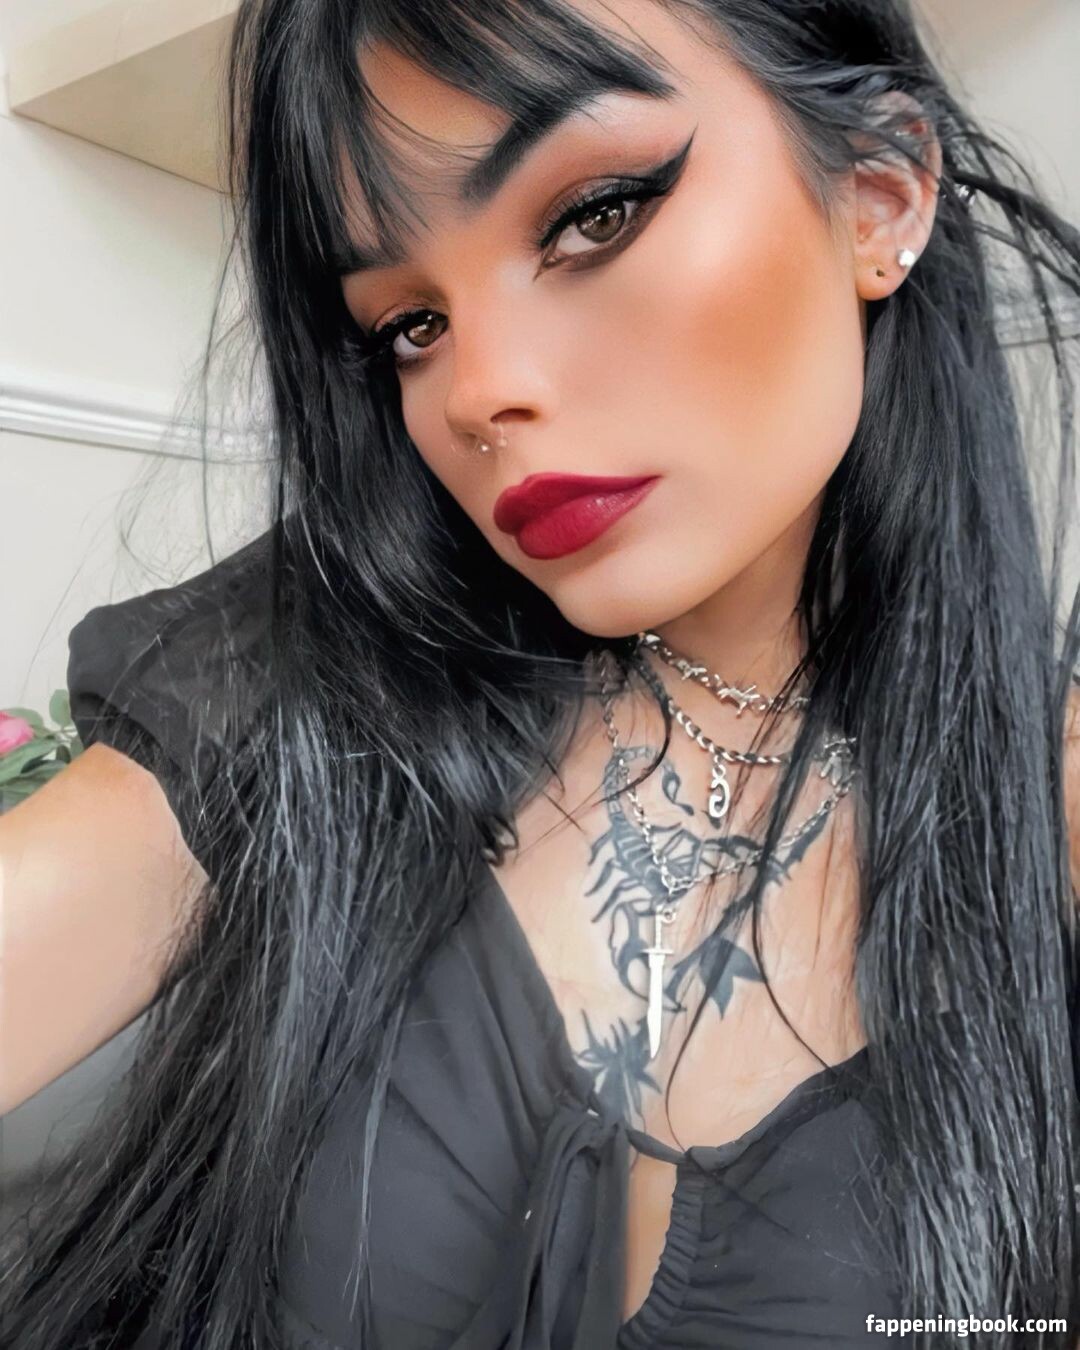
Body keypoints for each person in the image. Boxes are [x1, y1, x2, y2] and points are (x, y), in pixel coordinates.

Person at [4, 0, 1080, 1345]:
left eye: (593, 216)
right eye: (409, 324)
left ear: (879, 197)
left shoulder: (1044, 807)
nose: (477, 394)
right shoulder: (321, 663)